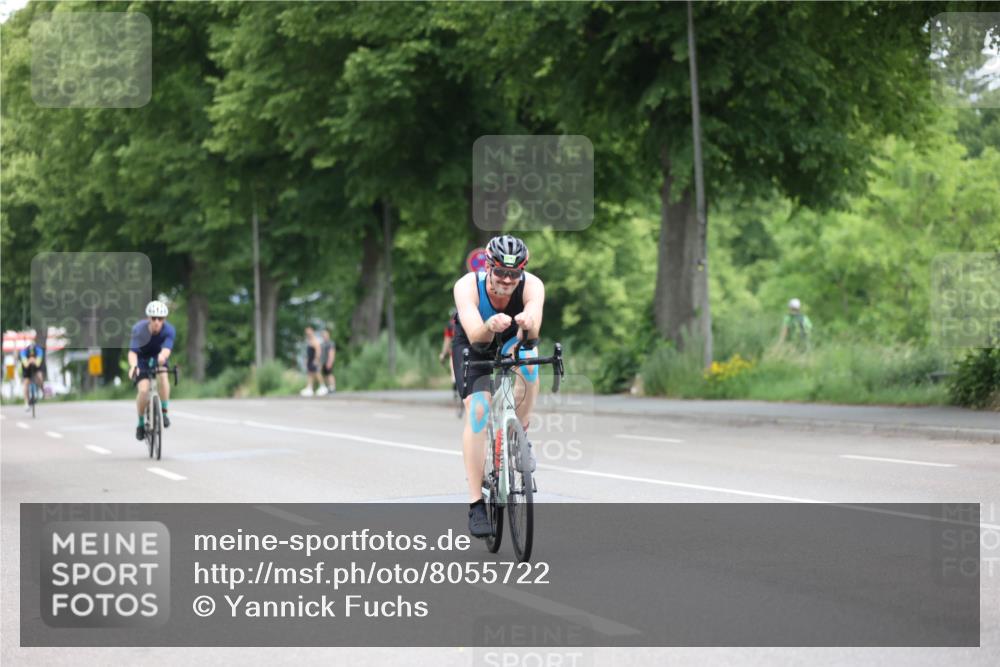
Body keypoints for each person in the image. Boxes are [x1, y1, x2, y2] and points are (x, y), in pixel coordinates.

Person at [452, 235, 544, 538]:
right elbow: (476, 338)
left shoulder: (533, 286)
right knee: (478, 411)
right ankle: (476, 504)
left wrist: (527, 324)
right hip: (475, 341)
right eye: (501, 272)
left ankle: (520, 433)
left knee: (529, 363)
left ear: (522, 272)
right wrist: (489, 325)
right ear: (488, 267)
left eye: (513, 274)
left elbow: (532, 337)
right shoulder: (467, 286)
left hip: (511, 340)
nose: (506, 280)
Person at [128, 300, 176, 440]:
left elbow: (167, 349)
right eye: (153, 318)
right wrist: (133, 366)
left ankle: (164, 412)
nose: (156, 322)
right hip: (142, 360)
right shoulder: (139, 329)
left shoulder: (169, 330)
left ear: (164, 319)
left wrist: (162, 357)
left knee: (163, 375)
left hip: (158, 358)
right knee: (143, 390)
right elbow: (133, 352)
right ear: (148, 318)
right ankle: (140, 423)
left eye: (160, 319)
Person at [19, 341, 45, 412]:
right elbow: (25, 365)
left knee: (40, 376)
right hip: (26, 368)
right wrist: (30, 360)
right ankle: (26, 402)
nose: (31, 355)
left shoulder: (39, 350)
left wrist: (33, 360)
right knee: (26, 384)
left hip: (36, 367)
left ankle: (41, 390)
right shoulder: (23, 352)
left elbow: (38, 363)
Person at [300, 326, 326, 396]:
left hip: (314, 360)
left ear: (312, 332)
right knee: (310, 374)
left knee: (317, 373)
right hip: (310, 360)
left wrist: (316, 359)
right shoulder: (309, 341)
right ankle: (309, 388)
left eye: (309, 332)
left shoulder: (314, 340)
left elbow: (318, 350)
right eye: (307, 333)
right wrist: (307, 360)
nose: (308, 334)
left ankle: (323, 386)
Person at [320, 329, 336, 394]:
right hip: (323, 362)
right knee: (325, 375)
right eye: (323, 335)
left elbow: (331, 353)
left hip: (328, 362)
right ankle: (328, 387)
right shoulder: (322, 344)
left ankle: (333, 387)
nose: (324, 336)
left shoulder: (330, 343)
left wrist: (330, 362)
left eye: (325, 335)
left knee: (330, 374)